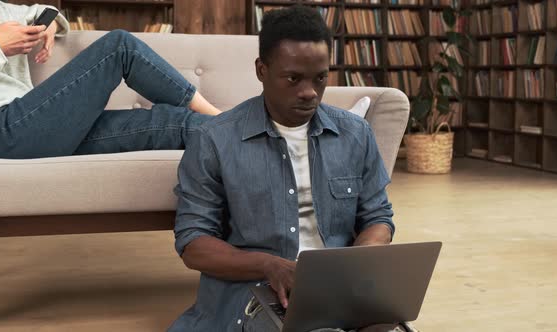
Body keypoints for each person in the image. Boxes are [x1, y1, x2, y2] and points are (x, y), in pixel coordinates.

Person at [170, 5, 417, 332]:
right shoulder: (214, 139)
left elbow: (377, 217)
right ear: (262, 70)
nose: (309, 92)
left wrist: (358, 262)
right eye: (293, 78)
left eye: (320, 78)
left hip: (342, 289)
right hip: (256, 292)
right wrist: (269, 265)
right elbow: (194, 243)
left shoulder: (355, 134)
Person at [0, 0, 219, 159]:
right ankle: (224, 118)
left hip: (35, 125)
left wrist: (48, 24)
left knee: (171, 123)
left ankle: (241, 132)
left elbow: (43, 11)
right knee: (119, 47)